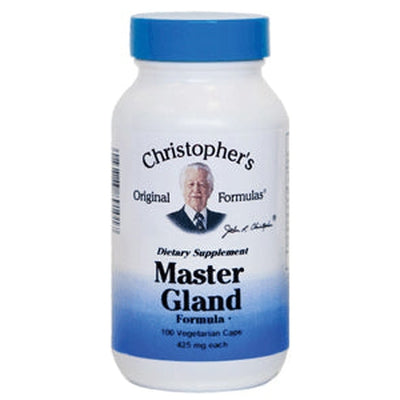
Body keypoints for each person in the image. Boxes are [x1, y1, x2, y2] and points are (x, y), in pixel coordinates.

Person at [167, 163, 226, 233]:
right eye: (191, 184)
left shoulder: (221, 219)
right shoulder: (170, 220)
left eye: (202, 184)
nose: (196, 189)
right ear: (182, 189)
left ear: (210, 190)